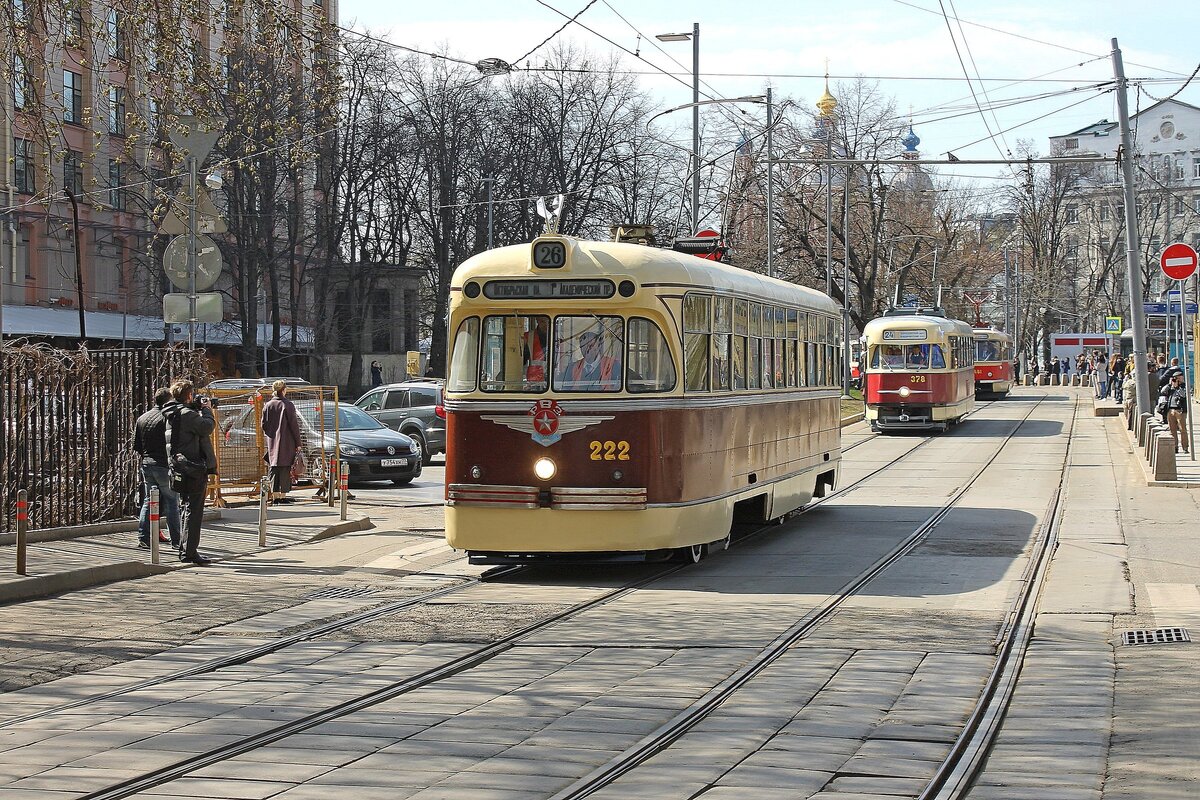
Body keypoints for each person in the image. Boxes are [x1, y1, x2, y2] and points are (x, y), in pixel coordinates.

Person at [166, 380, 215, 566]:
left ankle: (185, 548)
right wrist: (207, 409)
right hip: (192, 467)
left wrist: (195, 407)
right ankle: (189, 551)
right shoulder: (187, 414)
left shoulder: (174, 412)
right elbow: (207, 427)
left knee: (185, 508)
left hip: (180, 465)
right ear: (188, 395)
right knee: (193, 511)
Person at [132, 387, 181, 550]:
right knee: (172, 502)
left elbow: (136, 445)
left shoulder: (142, 418)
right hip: (163, 465)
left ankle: (144, 537)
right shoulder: (168, 418)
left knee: (148, 501)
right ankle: (177, 540)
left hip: (147, 464)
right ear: (169, 400)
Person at [261, 380, 303, 505]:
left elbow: (263, 425)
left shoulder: (268, 405)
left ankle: (275, 497)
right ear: (284, 390)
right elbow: (294, 425)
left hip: (272, 441)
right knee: (285, 467)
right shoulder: (287, 404)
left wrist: (271, 434)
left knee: (274, 467)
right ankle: (283, 496)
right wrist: (298, 442)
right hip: (286, 441)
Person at [1161, 372, 1189, 453]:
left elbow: (1183, 395)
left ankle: (1185, 447)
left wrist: (1177, 387)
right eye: (1174, 378)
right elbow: (1163, 391)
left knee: (1182, 429)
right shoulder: (1171, 386)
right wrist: (1170, 385)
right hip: (1170, 410)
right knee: (1172, 430)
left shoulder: (1184, 386)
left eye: (1177, 378)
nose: (1175, 380)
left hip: (1180, 411)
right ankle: (1175, 447)